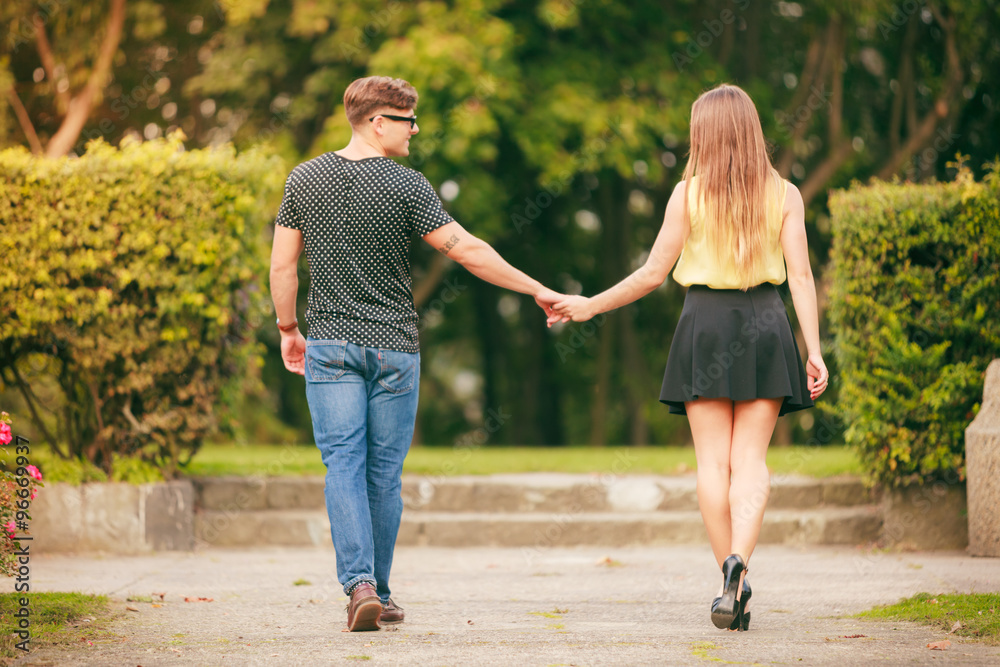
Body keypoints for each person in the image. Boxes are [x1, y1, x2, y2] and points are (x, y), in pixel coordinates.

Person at [270, 76, 563, 632]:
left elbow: (283, 266)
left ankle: (360, 586)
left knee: (343, 465)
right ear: (377, 122)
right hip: (396, 351)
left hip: (329, 347)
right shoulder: (408, 187)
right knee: (384, 473)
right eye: (407, 119)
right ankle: (378, 588)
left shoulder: (305, 179)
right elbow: (469, 251)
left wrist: (289, 327)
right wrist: (535, 289)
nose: (415, 129)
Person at [550, 83, 829, 632]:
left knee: (712, 465)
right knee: (751, 462)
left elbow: (652, 273)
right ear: (751, 131)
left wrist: (589, 306)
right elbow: (799, 274)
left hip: (705, 324)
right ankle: (739, 566)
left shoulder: (688, 194)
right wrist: (813, 349)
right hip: (767, 322)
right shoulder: (786, 194)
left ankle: (730, 579)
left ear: (705, 134)